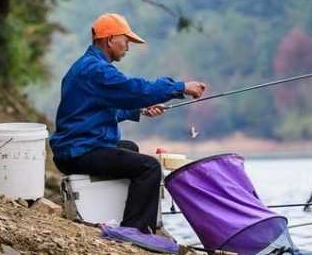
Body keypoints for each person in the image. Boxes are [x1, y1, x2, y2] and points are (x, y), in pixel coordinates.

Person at [49, 12, 206, 234]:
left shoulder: (86, 66)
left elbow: (96, 110)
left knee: (129, 148)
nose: (128, 47)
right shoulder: (97, 70)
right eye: (126, 40)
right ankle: (135, 231)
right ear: (109, 39)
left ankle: (114, 215)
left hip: (73, 148)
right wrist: (180, 87)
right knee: (149, 168)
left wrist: (138, 109)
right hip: (79, 151)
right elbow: (135, 89)